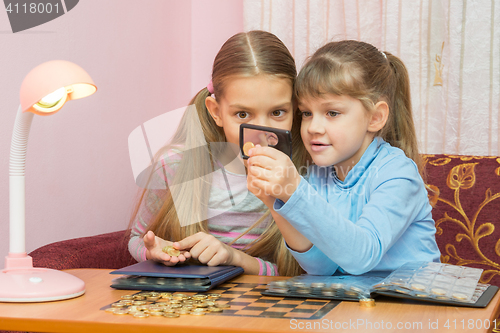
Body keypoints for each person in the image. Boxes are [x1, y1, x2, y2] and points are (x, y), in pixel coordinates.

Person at [246, 40, 440, 276]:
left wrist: (296, 191)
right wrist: (275, 202)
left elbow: (361, 256)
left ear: (375, 117)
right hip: (357, 304)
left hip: (414, 305)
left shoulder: (397, 173)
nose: (313, 127)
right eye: (307, 113)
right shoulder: (318, 173)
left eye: (332, 113)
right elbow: (322, 267)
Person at [128, 30, 306, 276]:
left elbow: (306, 272)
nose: (261, 131)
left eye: (277, 113)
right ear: (215, 111)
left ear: (295, 109)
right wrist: (156, 250)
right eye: (242, 114)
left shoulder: (306, 171)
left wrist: (237, 259)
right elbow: (138, 238)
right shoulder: (175, 165)